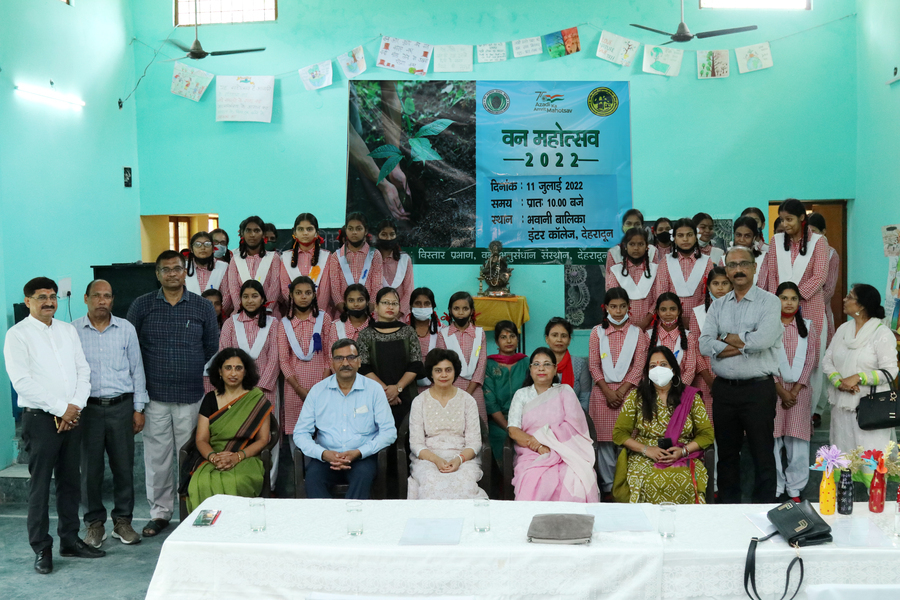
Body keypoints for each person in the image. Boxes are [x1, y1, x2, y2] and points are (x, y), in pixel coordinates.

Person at [4, 277, 100, 573]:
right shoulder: (17, 335)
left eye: (53, 296)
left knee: (70, 482)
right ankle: (41, 548)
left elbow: (83, 370)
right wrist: (61, 409)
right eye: (42, 297)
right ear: (28, 301)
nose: (49, 302)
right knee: (41, 485)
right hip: (41, 420)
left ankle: (69, 541)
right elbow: (22, 382)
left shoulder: (67, 330)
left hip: (72, 416)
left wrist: (75, 407)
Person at [127, 250, 219, 536]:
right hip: (154, 396)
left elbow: (211, 347)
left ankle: (191, 510)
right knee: (157, 459)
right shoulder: (142, 306)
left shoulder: (202, 307)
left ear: (184, 272)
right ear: (157, 274)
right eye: (165, 270)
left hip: (191, 396)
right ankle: (160, 513)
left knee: (190, 457)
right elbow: (131, 349)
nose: (171, 274)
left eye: (177, 268)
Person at [699, 246, 783, 504]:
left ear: (754, 267)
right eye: (732, 265)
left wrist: (724, 338)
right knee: (726, 455)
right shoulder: (717, 306)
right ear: (726, 270)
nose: (738, 270)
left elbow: (763, 340)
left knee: (762, 453)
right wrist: (746, 343)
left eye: (744, 264)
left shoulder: (770, 302)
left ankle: (764, 510)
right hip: (724, 390)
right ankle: (728, 509)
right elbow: (704, 344)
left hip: (758, 390)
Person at [74, 280, 148, 548]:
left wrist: (138, 408)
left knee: (123, 467)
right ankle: (94, 524)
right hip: (88, 410)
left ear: (112, 300)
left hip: (121, 408)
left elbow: (137, 370)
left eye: (107, 296)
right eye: (96, 296)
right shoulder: (73, 331)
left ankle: (122, 522)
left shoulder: (126, 329)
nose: (102, 301)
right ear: (86, 299)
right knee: (89, 471)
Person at [293, 339, 398, 499]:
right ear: (332, 363)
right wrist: (323, 453)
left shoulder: (374, 390)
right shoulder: (318, 391)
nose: (345, 363)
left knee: (362, 476)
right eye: (339, 358)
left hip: (361, 457)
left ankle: (352, 515)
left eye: (351, 357)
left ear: (359, 361)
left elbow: (389, 432)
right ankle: (327, 517)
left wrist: (359, 452)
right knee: (313, 478)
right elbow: (300, 433)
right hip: (326, 458)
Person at [758, 199, 829, 432]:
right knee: (780, 357)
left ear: (801, 218)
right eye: (782, 219)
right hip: (780, 309)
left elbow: (820, 276)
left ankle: (807, 416)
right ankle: (780, 418)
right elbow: (770, 276)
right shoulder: (776, 241)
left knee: (810, 362)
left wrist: (795, 297)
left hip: (810, 308)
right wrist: (775, 303)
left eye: (789, 219)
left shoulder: (819, 242)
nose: (785, 224)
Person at [612, 346, 714, 503]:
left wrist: (683, 451)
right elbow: (619, 433)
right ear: (647, 372)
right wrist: (646, 450)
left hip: (682, 453)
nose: (658, 369)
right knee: (649, 481)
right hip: (645, 455)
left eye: (663, 364)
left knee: (684, 481)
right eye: (653, 366)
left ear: (673, 369)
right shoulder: (636, 397)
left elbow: (706, 435)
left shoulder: (691, 397)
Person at [185, 348, 272, 512]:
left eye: (238, 368)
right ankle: (208, 527)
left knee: (236, 481)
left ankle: (236, 525)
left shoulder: (256, 399)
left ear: (245, 372)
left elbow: (263, 439)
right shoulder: (210, 399)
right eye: (228, 368)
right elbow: (201, 439)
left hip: (246, 457)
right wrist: (214, 457)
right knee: (201, 483)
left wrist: (237, 456)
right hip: (213, 456)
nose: (233, 373)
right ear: (220, 371)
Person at [508, 347, 599, 502]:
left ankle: (570, 517)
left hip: (566, 450)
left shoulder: (565, 392)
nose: (541, 368)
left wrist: (546, 439)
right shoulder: (521, 395)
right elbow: (513, 430)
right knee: (534, 478)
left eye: (547, 364)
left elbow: (574, 427)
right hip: (531, 452)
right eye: (536, 364)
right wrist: (538, 446)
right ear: (530, 369)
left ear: (555, 369)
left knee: (575, 477)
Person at [588, 288, 649, 497]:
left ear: (628, 307)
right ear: (606, 307)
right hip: (602, 394)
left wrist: (621, 391)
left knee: (627, 441)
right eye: (613, 306)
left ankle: (626, 487)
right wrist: (607, 392)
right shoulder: (597, 332)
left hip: (629, 393)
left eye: (622, 306)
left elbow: (639, 366)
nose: (618, 311)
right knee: (605, 443)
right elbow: (594, 365)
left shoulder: (637, 333)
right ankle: (608, 488)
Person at [823, 284, 898, 452]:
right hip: (841, 408)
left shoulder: (881, 333)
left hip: (871, 409)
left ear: (862, 305)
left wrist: (858, 377)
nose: (844, 299)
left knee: (869, 460)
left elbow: (890, 371)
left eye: (850, 297)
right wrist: (839, 382)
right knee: (843, 458)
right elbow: (827, 361)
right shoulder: (843, 329)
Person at [408, 348, 488, 499]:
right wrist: (436, 460)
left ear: (455, 372)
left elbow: (474, 443)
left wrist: (458, 460)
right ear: (431, 373)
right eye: (438, 370)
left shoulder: (468, 400)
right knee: (431, 484)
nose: (443, 375)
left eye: (448, 370)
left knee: (465, 485)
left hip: (463, 458)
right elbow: (416, 444)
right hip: (428, 458)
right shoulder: (419, 401)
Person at [773, 282, 819, 503]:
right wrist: (781, 390)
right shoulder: (769, 326)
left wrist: (795, 389)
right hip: (774, 390)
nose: (789, 303)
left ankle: (795, 489)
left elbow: (811, 360)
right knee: (773, 440)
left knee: (798, 441)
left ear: (799, 302)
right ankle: (776, 487)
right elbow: (765, 359)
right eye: (784, 298)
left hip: (799, 393)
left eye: (793, 298)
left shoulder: (808, 327)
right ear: (776, 301)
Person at [357, 287, 423, 426]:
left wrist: (397, 388)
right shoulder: (365, 335)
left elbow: (416, 364)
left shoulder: (408, 332)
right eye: (386, 302)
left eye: (394, 303)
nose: (390, 307)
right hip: (375, 397)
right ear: (376, 306)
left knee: (407, 434)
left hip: (406, 396)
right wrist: (386, 392)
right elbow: (363, 367)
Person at [807, 212, 841, 422]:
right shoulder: (802, 251)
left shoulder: (830, 254)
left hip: (820, 311)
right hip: (798, 313)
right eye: (808, 232)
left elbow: (828, 289)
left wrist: (807, 301)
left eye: (815, 231)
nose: (812, 236)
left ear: (824, 232)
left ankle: (818, 409)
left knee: (820, 360)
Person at [688, 266, 732, 423]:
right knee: (707, 422)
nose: (720, 288)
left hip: (732, 373)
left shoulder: (740, 311)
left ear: (731, 285)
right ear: (708, 287)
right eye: (715, 283)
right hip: (705, 375)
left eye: (724, 283)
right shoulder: (698, 313)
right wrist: (709, 380)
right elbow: (695, 349)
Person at [483, 321, 529, 465]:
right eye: (503, 337)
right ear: (497, 341)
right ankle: (508, 477)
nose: (509, 341)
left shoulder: (527, 363)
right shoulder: (489, 365)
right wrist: (508, 427)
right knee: (504, 440)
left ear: (517, 339)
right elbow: (490, 402)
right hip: (498, 421)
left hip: (525, 418)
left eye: (512, 336)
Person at [437, 291, 488, 421]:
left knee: (477, 424)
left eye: (465, 308)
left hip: (474, 389)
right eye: (456, 308)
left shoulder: (479, 334)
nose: (460, 312)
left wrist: (468, 392)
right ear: (450, 310)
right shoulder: (443, 334)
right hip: (451, 388)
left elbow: (481, 364)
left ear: (471, 311)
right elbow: (442, 364)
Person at [221, 216, 284, 319]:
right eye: (248, 230)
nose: (252, 234)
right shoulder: (235, 260)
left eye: (257, 230)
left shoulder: (274, 258)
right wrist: (243, 309)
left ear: (263, 234)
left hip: (269, 314)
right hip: (241, 315)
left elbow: (275, 286)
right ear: (242, 234)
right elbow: (234, 289)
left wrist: (266, 308)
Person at [327, 212, 384, 318]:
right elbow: (334, 287)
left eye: (358, 229)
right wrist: (343, 308)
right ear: (346, 230)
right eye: (350, 228)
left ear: (365, 231)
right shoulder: (337, 256)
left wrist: (369, 307)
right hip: (343, 313)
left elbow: (377, 285)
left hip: (369, 313)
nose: (354, 232)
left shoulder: (375, 254)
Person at [656, 217, 713, 322]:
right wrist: (675, 317)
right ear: (674, 238)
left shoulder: (707, 262)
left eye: (689, 235)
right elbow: (662, 293)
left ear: (696, 237)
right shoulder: (665, 262)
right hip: (671, 319)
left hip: (700, 319)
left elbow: (708, 294)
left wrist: (695, 318)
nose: (685, 239)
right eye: (680, 235)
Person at [278, 213, 332, 315]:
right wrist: (300, 309)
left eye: (309, 229)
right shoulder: (285, 257)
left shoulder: (327, 257)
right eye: (301, 229)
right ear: (295, 232)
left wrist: (317, 311)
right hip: (294, 313)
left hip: (321, 313)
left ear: (317, 233)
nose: (305, 233)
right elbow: (285, 289)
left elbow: (325, 289)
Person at [606, 227, 658, 329]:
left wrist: (646, 322)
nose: (636, 248)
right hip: (623, 326)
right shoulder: (616, 271)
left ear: (647, 247)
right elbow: (614, 299)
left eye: (640, 244)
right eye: (632, 244)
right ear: (625, 246)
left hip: (651, 327)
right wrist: (628, 326)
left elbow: (658, 299)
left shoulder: (655, 270)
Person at [646, 293, 698, 387]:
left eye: (673, 309)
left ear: (679, 311)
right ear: (657, 312)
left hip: (680, 389)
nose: (668, 313)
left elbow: (690, 369)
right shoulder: (648, 336)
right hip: (653, 388)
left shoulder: (688, 336)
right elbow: (644, 367)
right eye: (663, 310)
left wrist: (678, 389)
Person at [544, 317, 591, 410]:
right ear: (547, 339)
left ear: (569, 340)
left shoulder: (580, 364)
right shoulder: (539, 364)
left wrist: (574, 416)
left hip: (574, 415)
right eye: (554, 335)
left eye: (564, 336)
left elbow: (585, 398)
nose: (559, 339)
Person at [376, 219, 414, 318]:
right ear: (377, 236)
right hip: (376, 316)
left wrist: (398, 314)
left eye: (392, 234)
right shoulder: (371, 259)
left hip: (400, 317)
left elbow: (409, 291)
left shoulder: (405, 259)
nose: (388, 238)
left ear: (396, 236)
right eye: (384, 234)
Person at [606, 209, 656, 278]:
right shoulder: (613, 252)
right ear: (623, 226)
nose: (632, 227)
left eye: (637, 224)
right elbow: (609, 280)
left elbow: (657, 278)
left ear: (642, 227)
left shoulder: (653, 251)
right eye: (629, 223)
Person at [410, 287, 441, 394]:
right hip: (410, 385)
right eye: (418, 303)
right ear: (411, 306)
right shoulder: (404, 330)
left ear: (433, 307)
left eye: (427, 303)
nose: (422, 307)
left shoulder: (442, 330)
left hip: (437, 386)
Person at [183, 231, 228, 296]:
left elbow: (226, 296)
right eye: (197, 244)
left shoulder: (224, 267)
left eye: (207, 244)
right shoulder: (183, 267)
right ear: (191, 249)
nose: (202, 248)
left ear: (213, 248)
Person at [727, 216, 767, 286]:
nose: (742, 240)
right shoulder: (724, 259)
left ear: (754, 237)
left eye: (747, 236)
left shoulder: (764, 259)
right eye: (738, 235)